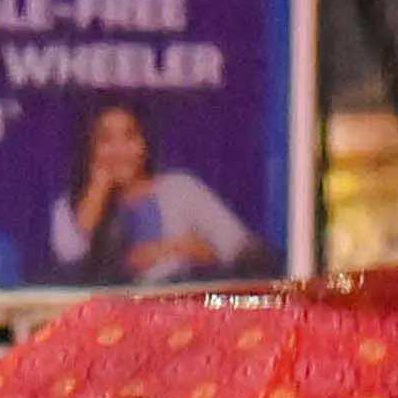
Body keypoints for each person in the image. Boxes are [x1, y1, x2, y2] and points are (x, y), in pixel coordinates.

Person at [49, 104, 262, 285]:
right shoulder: (68, 206)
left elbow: (241, 249)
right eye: (106, 140)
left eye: (130, 137)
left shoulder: (180, 188)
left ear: (145, 143)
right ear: (89, 148)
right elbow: (69, 257)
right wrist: (99, 189)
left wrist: (179, 249)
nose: (120, 149)